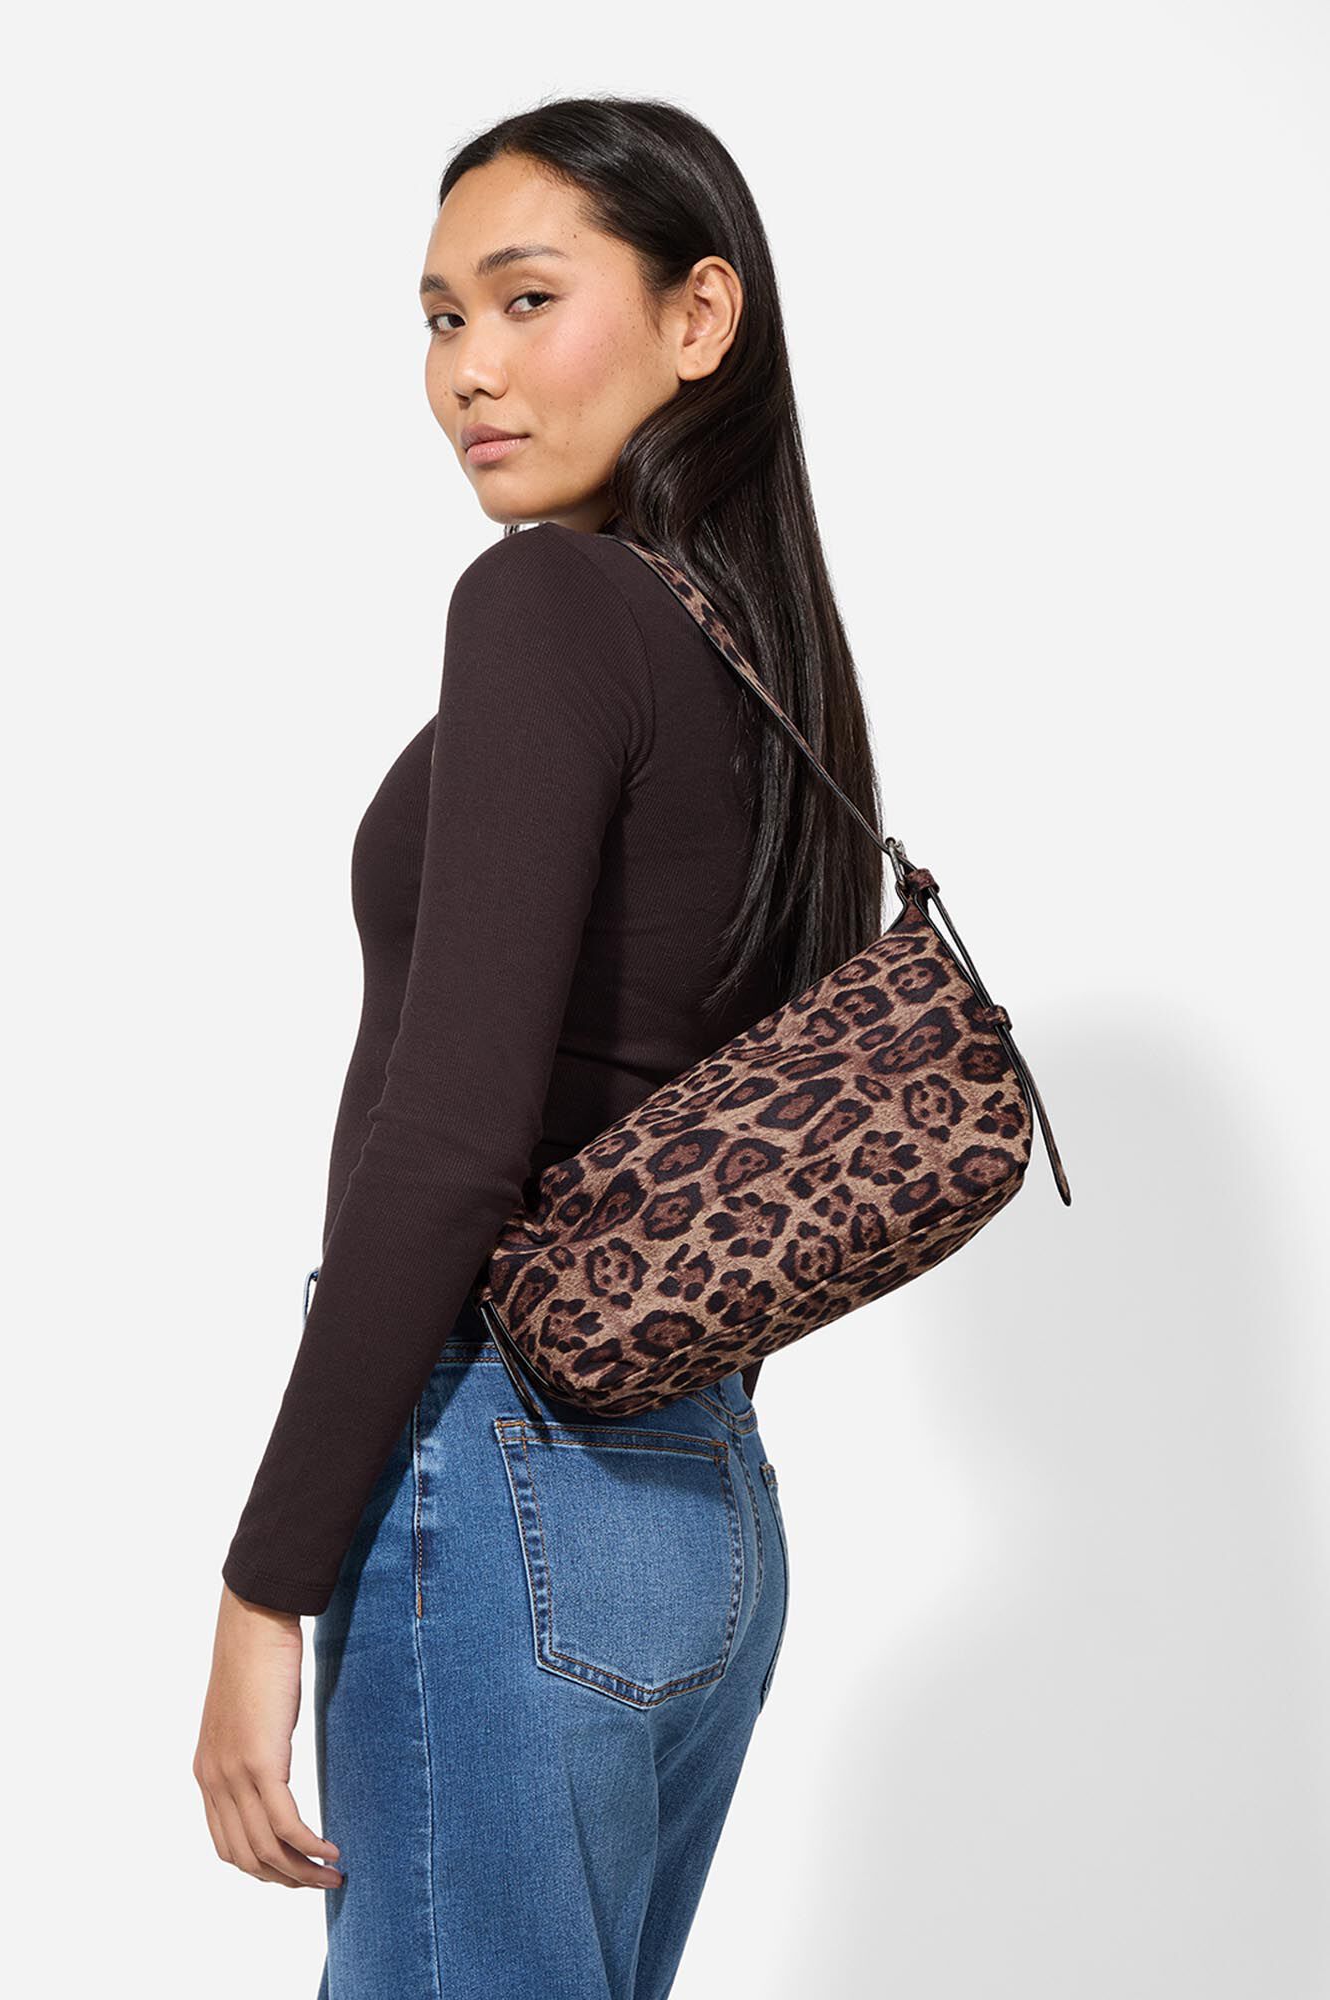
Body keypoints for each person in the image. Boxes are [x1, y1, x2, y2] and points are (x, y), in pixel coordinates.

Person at [193, 94, 886, 1998]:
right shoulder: (764, 658)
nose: (468, 373)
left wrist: (264, 1581)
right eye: (439, 319)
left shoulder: (547, 605)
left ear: (698, 317)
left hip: (499, 1489)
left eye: (524, 300)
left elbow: (448, 1146)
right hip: (702, 1512)